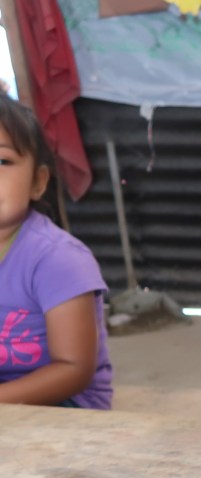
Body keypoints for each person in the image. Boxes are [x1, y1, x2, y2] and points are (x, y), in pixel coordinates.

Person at [0, 93, 112, 409]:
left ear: (38, 182)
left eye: (2, 161)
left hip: (65, 404)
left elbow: (73, 369)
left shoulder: (58, 259)